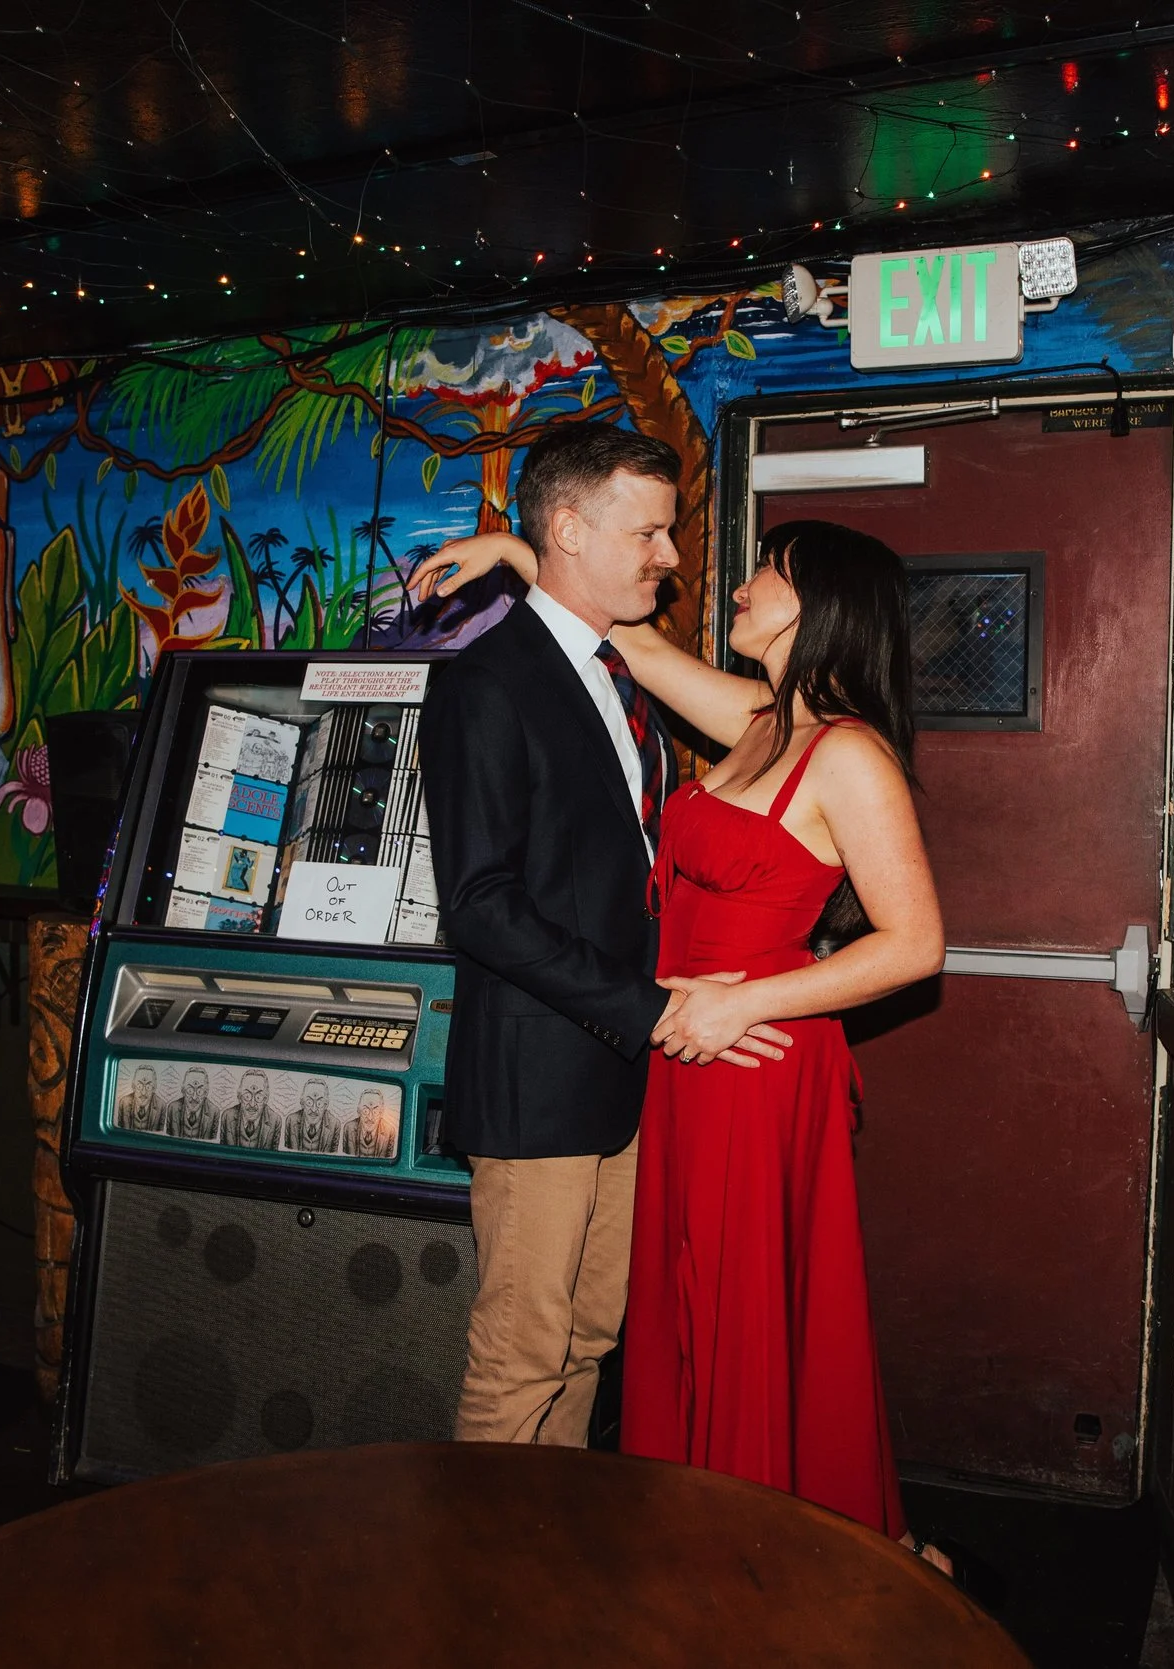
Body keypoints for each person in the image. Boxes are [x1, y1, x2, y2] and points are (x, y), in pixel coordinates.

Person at [411, 516, 950, 1564]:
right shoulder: (757, 719)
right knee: (671, 1315)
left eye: (764, 573)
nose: (736, 587)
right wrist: (527, 557)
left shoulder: (848, 755)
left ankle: (766, 1558)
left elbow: (916, 944)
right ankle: (681, 1545)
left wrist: (744, 1005)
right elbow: (635, 647)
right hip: (672, 1057)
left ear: (815, 603)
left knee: (742, 1313)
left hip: (750, 1065)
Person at [417, 423, 789, 1451]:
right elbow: (480, 904)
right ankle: (480, 1598)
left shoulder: (611, 668)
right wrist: (652, 1006)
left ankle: (549, 1563)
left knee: (587, 1339)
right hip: (541, 1076)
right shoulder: (484, 679)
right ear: (572, 529)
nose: (670, 555)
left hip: (617, 1072)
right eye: (651, 531)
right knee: (521, 1354)